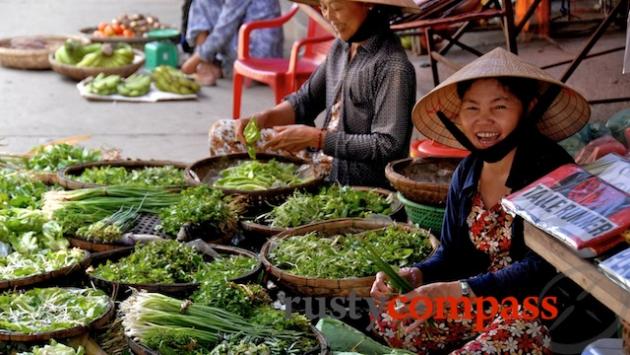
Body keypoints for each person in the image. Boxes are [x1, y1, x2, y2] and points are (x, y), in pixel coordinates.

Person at [370, 47, 591, 354]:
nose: (483, 121)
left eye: (499, 107)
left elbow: (546, 265)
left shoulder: (551, 168)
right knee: (391, 319)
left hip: (541, 308)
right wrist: (416, 274)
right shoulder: (467, 171)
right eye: (472, 108)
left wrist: (459, 291)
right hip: (479, 300)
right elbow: (451, 252)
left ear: (528, 107)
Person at [209, 0, 419, 188]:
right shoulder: (341, 47)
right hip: (319, 156)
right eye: (324, 7)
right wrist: (264, 118)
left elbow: (388, 145)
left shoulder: (392, 66)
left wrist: (318, 139)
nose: (328, 16)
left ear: (369, 6)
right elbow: (304, 101)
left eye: (336, 8)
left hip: (353, 181)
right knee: (223, 133)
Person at [182, 0, 284, 86]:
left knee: (201, 5)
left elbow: (224, 30)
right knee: (203, 2)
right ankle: (206, 65)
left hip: (258, 57)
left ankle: (206, 66)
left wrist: (194, 61)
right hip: (261, 49)